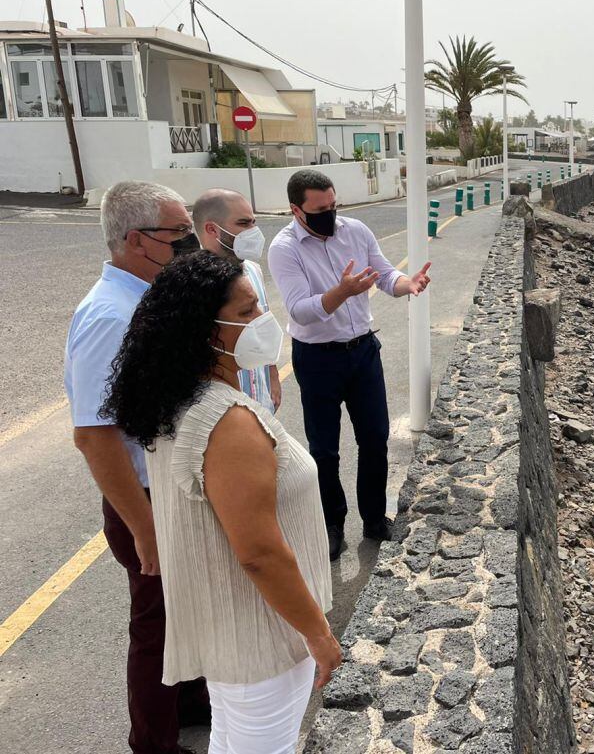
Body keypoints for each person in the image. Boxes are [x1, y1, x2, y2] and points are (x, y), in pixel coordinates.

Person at [100, 251, 341, 754]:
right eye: (249, 310)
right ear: (209, 330)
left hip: (232, 632)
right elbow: (259, 552)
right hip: (262, 637)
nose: (264, 320)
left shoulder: (182, 398)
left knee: (231, 740)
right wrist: (318, 635)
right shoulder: (226, 422)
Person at [64, 180, 207, 753]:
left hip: (173, 490)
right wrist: (144, 529)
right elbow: (95, 437)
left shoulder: (147, 298)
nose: (189, 242)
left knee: (184, 611)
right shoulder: (109, 316)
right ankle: (153, 742)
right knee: (155, 625)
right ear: (135, 241)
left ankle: (191, 704)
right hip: (146, 502)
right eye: (178, 234)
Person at [267, 169, 432, 561]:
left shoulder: (355, 230)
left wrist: (405, 284)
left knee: (374, 439)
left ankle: (375, 520)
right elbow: (300, 312)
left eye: (334, 204)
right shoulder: (284, 247)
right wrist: (341, 291)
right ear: (296, 209)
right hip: (318, 358)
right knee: (324, 450)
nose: (330, 213)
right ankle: (331, 524)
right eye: (320, 209)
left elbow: (384, 272)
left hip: (362, 352)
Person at [193, 189, 281, 412]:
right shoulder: (193, 285)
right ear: (212, 229)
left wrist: (272, 376)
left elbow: (262, 330)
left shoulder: (252, 271)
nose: (253, 231)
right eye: (243, 224)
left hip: (260, 402)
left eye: (253, 222)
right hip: (225, 411)